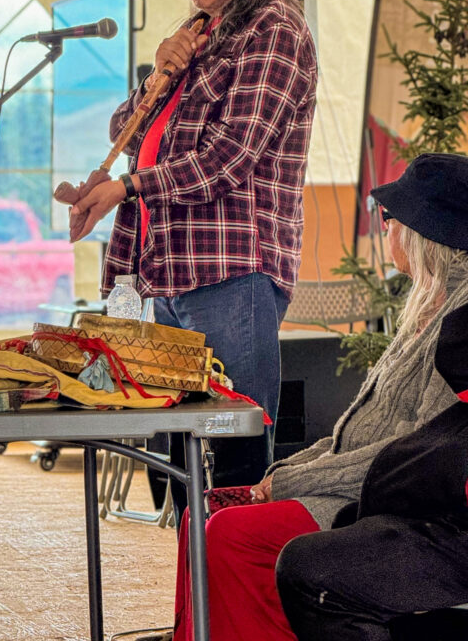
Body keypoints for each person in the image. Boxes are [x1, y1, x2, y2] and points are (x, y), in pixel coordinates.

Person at [70, 0, 318, 493]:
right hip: (169, 268)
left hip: (233, 270)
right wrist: (159, 72)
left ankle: (235, 586)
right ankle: (192, 588)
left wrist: (127, 188)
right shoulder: (202, 30)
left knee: (235, 456)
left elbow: (229, 160)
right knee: (175, 466)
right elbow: (127, 132)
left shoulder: (273, 31)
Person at [171, 152, 468, 641]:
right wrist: (284, 474)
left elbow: (417, 456)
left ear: (422, 233)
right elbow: (349, 435)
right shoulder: (426, 306)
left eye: (390, 218)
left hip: (379, 504)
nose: (385, 227)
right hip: (344, 482)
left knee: (232, 534)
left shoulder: (459, 322)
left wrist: (291, 481)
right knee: (202, 511)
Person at [277, 297, 468, 641]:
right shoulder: (438, 318)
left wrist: (290, 480)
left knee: (306, 566)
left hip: (448, 528)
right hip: (426, 508)